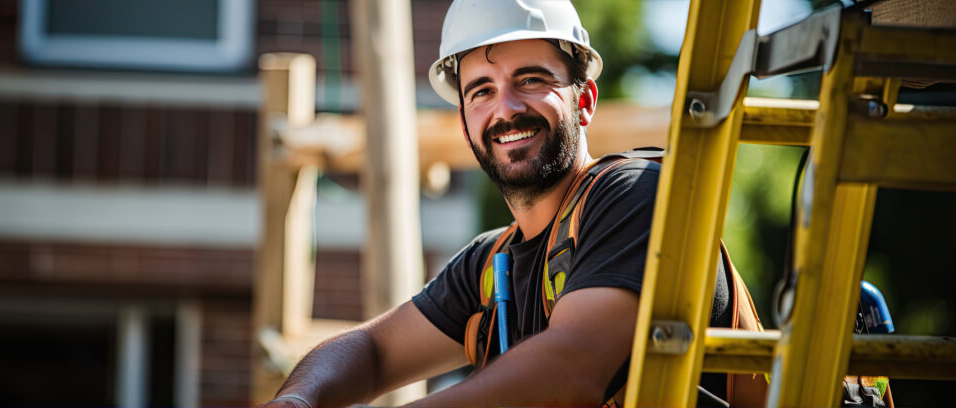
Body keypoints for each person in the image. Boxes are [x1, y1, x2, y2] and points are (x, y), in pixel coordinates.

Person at [262, 1, 737, 406]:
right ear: (466, 121)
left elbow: (572, 370)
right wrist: (298, 399)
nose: (505, 108)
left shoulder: (634, 196)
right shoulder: (493, 265)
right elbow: (374, 349)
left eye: (530, 80)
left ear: (585, 100)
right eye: (482, 91)